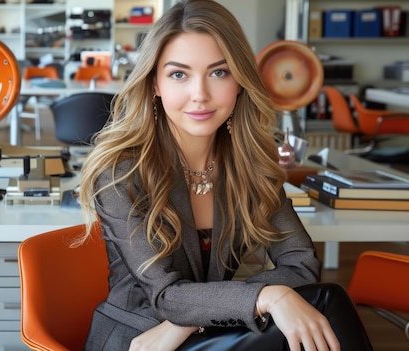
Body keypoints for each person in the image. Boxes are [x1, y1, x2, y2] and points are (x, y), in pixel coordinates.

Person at [76, 1, 374, 350]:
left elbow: (301, 262)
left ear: (240, 81)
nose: (200, 95)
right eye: (178, 74)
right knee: (325, 304)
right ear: (154, 83)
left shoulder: (248, 164)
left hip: (201, 330)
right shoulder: (120, 172)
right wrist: (268, 295)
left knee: (320, 304)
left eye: (219, 72)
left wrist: (191, 322)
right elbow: (166, 296)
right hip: (141, 337)